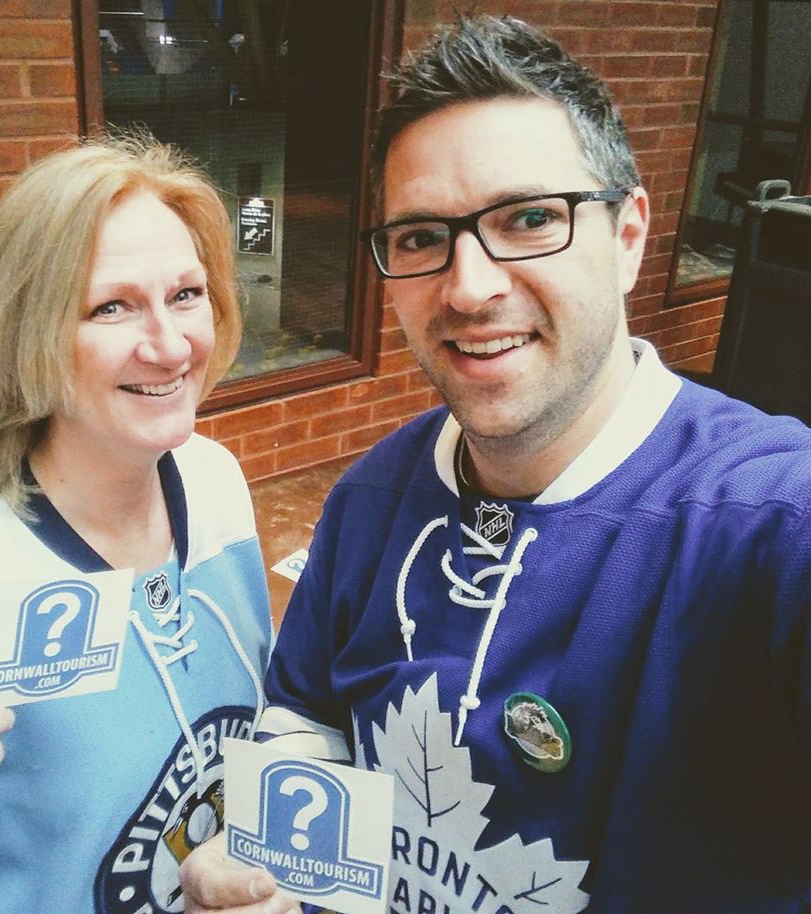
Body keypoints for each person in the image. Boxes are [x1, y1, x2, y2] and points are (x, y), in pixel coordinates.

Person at [180, 14, 811, 914]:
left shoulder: (769, 525)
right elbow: (309, 714)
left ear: (629, 237)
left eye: (530, 219)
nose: (470, 287)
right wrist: (266, 867)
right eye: (420, 237)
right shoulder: (369, 499)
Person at [0, 135, 291, 914]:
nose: (169, 346)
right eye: (110, 307)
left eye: (186, 294)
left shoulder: (214, 480)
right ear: (29, 334)